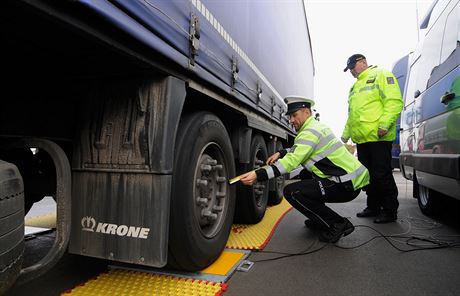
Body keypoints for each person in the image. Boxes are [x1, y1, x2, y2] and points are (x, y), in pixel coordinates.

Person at [239, 96, 370, 243]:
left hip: (344, 185)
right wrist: (281, 153)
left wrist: (258, 174)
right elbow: (301, 149)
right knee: (305, 175)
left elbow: (291, 162)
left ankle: (337, 223)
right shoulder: (315, 127)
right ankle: (319, 219)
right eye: (290, 116)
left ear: (307, 112)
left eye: (294, 115)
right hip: (346, 181)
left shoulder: (310, 131)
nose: (291, 120)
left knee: (292, 192)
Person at [342, 54, 403, 223]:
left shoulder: (382, 75)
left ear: (362, 62)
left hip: (378, 136)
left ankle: (389, 210)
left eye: (352, 68)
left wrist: (384, 125)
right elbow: (352, 114)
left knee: (381, 174)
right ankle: (373, 207)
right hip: (362, 139)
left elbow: (394, 101)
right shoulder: (354, 87)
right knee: (368, 176)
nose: (351, 72)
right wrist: (345, 134)